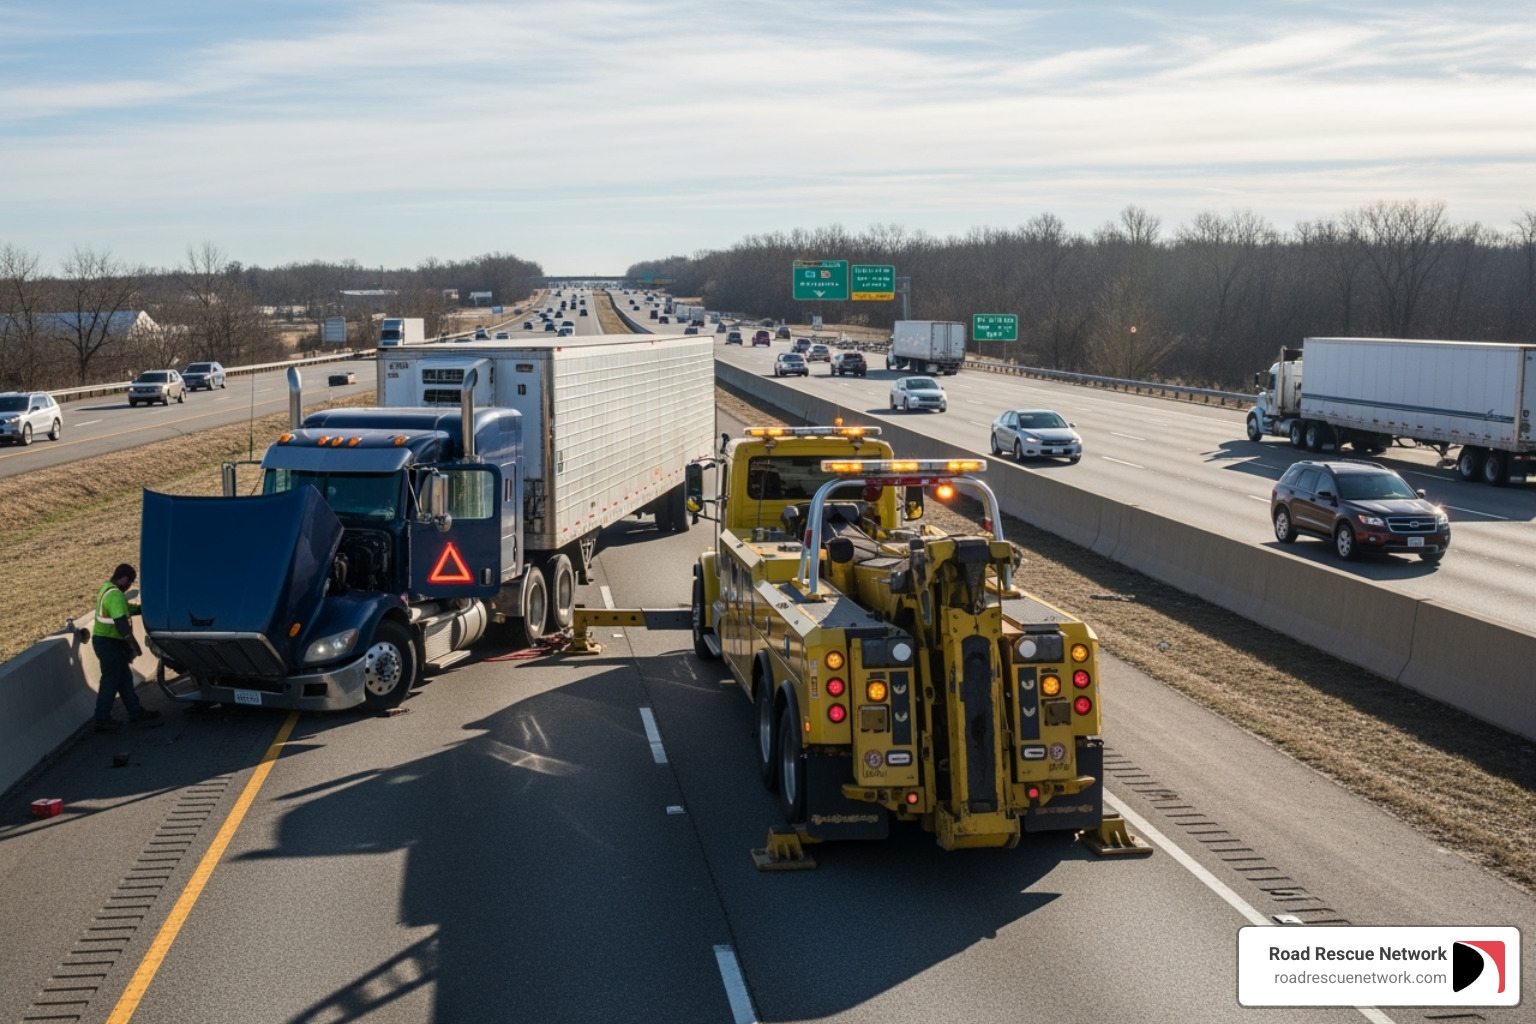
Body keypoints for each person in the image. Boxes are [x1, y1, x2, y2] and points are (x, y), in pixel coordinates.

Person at [92, 563, 161, 732]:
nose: (130, 585)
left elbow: (126, 609)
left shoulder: (108, 589)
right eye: (130, 581)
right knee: (110, 680)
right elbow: (121, 622)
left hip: (107, 642)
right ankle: (102, 718)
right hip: (109, 643)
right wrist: (133, 645)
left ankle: (135, 711)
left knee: (124, 679)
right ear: (122, 578)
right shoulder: (115, 595)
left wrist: (143, 609)